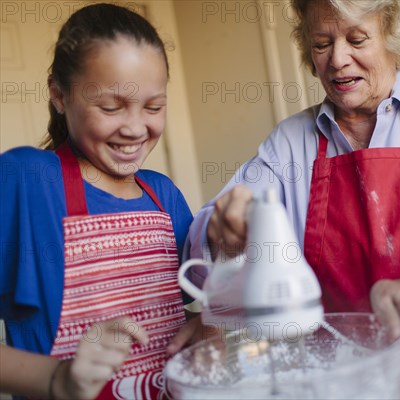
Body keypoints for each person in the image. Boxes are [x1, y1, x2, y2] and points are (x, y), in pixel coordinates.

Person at [182, 0, 400, 398]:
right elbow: (201, 260)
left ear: (392, 38)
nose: (338, 59)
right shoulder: (290, 144)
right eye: (322, 43)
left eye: (356, 38)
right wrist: (222, 232)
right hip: (350, 380)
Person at [0, 4, 194, 399]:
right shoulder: (27, 181)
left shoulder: (165, 197)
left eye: (154, 107)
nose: (136, 127)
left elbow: (185, 315)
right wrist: (58, 380)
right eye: (110, 107)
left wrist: (207, 321)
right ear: (59, 95)